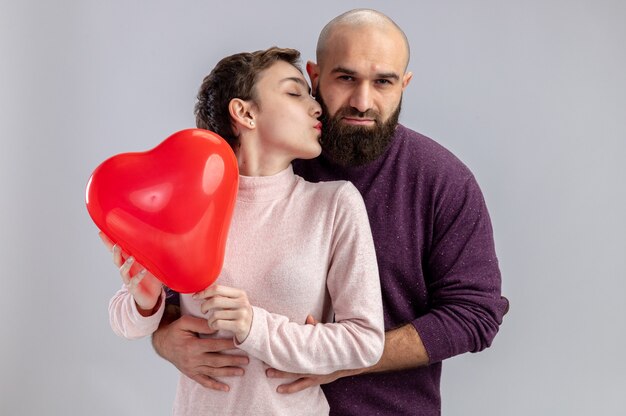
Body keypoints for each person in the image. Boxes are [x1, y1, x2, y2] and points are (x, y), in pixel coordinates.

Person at [152, 9, 509, 416]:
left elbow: (476, 313)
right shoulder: (269, 158)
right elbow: (173, 289)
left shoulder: (442, 180)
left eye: (383, 82)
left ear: (404, 85)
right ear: (315, 77)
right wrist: (165, 337)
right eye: (345, 78)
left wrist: (339, 358)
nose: (362, 100)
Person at [105, 46, 384, 416]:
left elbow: (365, 342)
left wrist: (256, 326)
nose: (317, 108)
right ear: (245, 112)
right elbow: (126, 324)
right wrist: (145, 301)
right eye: (294, 92)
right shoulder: (192, 202)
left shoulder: (334, 205)